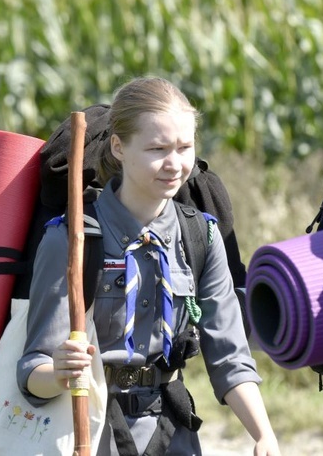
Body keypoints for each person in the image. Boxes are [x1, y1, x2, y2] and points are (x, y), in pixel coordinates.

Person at [18, 77, 280, 455]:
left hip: (172, 434)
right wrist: (58, 373)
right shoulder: (70, 239)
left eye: (185, 147)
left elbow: (229, 356)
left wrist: (263, 434)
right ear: (119, 147)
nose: (175, 164)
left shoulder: (201, 237)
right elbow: (32, 371)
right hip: (87, 433)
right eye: (157, 148)